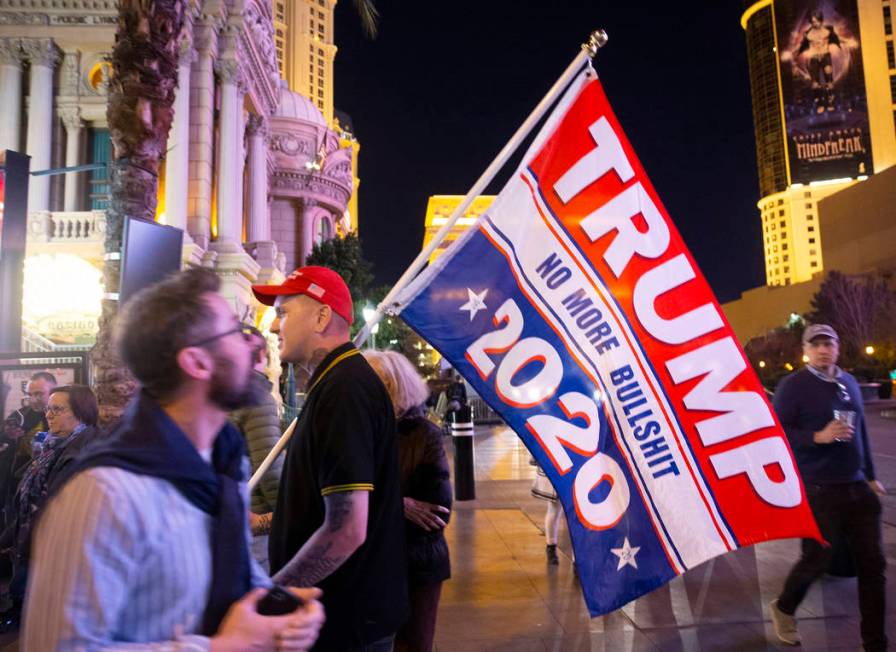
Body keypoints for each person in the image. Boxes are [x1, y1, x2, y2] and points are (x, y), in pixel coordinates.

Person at [21, 267, 324, 651]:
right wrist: (218, 648)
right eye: (234, 332)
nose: (254, 343)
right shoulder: (104, 494)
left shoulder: (224, 459)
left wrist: (282, 609)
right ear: (197, 362)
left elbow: (231, 574)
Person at [253, 266, 408, 651]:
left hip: (346, 623)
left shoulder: (345, 389)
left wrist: (276, 598)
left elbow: (346, 528)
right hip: (336, 618)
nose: (274, 326)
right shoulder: (333, 384)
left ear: (322, 316)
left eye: (284, 311)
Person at [768, 324, 887, 651]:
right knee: (819, 558)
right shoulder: (793, 387)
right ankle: (785, 607)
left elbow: (860, 430)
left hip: (857, 486)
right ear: (805, 350)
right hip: (819, 488)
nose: (823, 349)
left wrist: (871, 475)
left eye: (829, 343)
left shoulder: (848, 382)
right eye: (816, 344)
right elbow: (777, 434)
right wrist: (816, 437)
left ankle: (874, 642)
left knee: (873, 565)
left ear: (837, 347)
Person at [363, 350, 451, 652]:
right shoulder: (362, 432)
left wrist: (379, 502)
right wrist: (399, 504)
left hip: (417, 562)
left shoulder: (425, 435)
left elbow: (438, 510)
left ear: (390, 385)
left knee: (412, 644)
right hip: (372, 561)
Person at [0, 385, 101, 633]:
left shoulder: (81, 451)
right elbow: (27, 500)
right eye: (48, 408)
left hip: (57, 554)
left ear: (82, 412)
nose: (49, 414)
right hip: (34, 545)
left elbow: (54, 507)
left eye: (57, 409)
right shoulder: (55, 446)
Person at [230, 326, 284, 572]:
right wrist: (287, 511)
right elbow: (269, 465)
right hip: (253, 518)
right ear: (263, 356)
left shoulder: (216, 393)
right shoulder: (258, 398)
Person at [1, 372, 56, 526]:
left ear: (54, 391)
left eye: (39, 394)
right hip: (19, 484)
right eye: (30, 394)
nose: (33, 399)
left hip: (51, 485)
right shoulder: (21, 415)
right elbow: (3, 434)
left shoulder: (65, 415)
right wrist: (8, 434)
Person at [529, 457, 564, 565]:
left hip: (576, 461)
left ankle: (577, 558)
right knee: (554, 508)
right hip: (555, 461)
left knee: (576, 513)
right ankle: (551, 546)